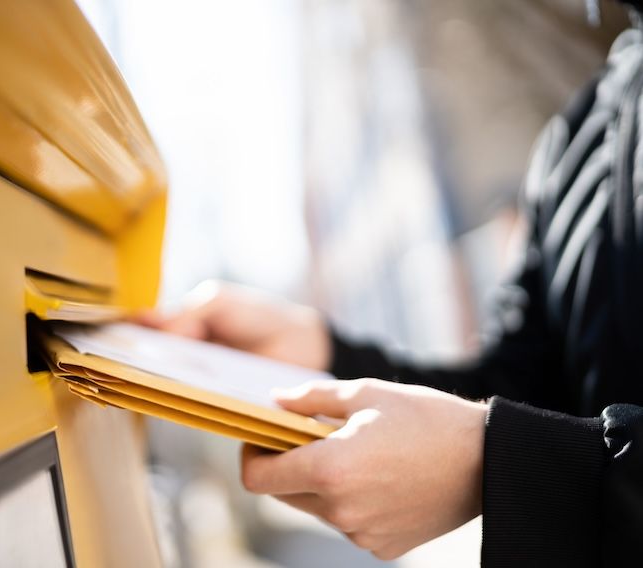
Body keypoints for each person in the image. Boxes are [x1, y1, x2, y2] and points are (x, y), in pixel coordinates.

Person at [140, 8, 643, 567]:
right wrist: (327, 357)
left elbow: (509, 433)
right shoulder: (583, 130)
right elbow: (521, 388)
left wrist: (495, 461)